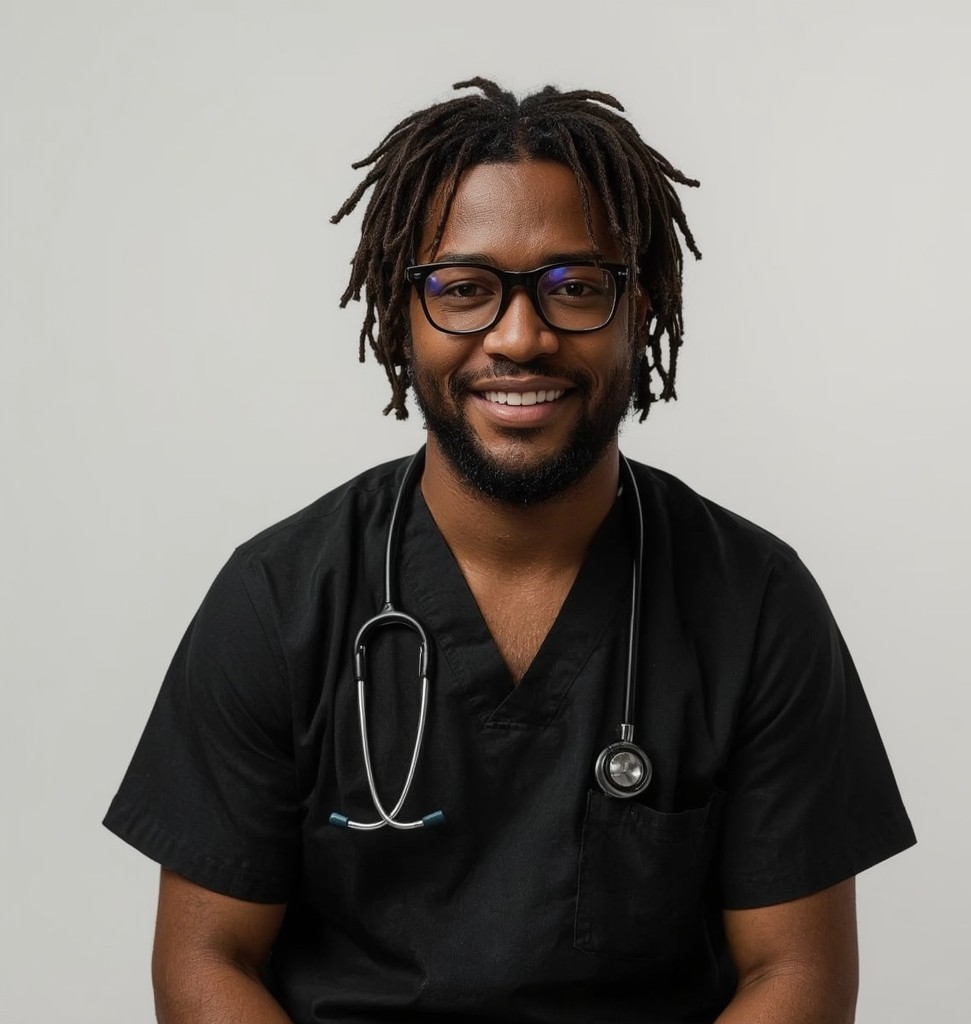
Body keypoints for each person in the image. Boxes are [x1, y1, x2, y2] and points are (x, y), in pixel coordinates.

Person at [104, 78, 916, 1023]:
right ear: (400, 314)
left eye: (574, 287)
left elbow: (797, 978)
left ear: (638, 310)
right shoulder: (278, 598)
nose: (519, 337)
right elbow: (207, 960)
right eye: (465, 290)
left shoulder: (757, 606)